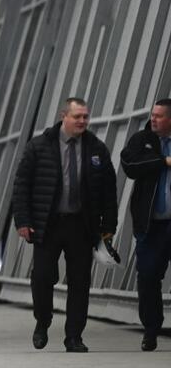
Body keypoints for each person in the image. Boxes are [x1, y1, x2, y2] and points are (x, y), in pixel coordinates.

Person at [11, 97, 117, 353]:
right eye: (77, 116)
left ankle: (74, 336)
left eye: (85, 117)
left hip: (82, 225)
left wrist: (108, 225)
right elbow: (22, 185)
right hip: (48, 224)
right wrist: (23, 221)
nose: (82, 121)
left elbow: (108, 190)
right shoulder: (39, 146)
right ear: (64, 117)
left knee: (80, 282)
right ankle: (42, 321)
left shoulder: (96, 148)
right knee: (42, 277)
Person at [120, 98, 171, 351]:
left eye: (159, 116)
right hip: (151, 225)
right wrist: (163, 161)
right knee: (148, 276)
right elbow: (129, 165)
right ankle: (151, 329)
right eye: (153, 114)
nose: (154, 119)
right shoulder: (142, 140)